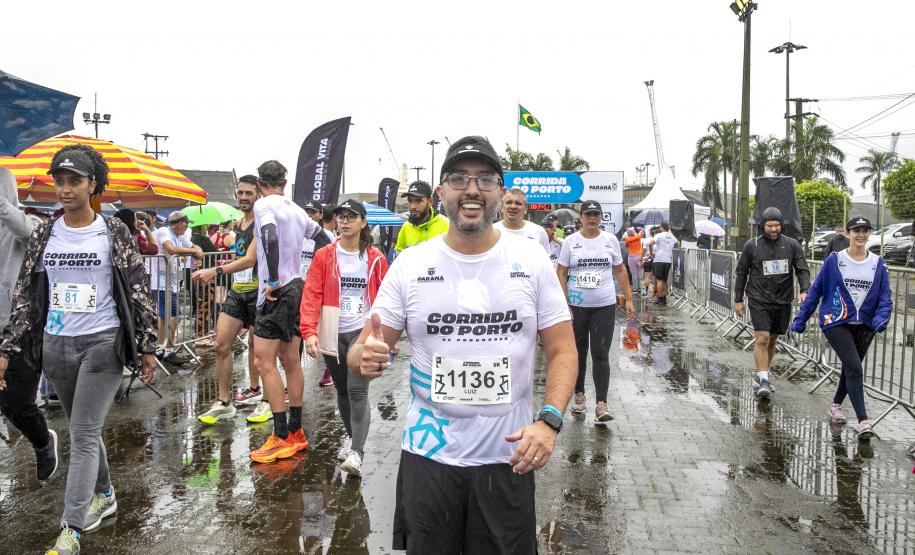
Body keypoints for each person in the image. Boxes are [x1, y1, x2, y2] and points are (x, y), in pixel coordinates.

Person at [347, 135, 577, 553]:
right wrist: (364, 357)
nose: (472, 189)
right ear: (441, 192)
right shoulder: (411, 265)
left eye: (485, 179)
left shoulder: (531, 262)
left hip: (508, 457)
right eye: (459, 178)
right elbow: (361, 349)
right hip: (429, 457)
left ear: (500, 193)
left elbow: (563, 350)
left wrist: (548, 422)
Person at [0, 145, 157, 554]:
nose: (66, 189)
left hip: (102, 344)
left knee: (83, 435)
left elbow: (138, 289)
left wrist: (147, 346)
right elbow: (24, 295)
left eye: (75, 181)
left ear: (93, 185)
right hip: (56, 346)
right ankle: (104, 493)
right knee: (82, 426)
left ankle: (71, 530)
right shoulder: (44, 233)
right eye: (60, 181)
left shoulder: (113, 231)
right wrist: (7, 349)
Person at [248, 160, 330, 464]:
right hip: (297, 285)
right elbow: (324, 239)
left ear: (260, 184)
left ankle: (281, 436)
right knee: (291, 360)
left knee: (263, 361)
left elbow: (269, 235)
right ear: (284, 183)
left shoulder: (263, 205)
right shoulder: (297, 210)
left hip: (277, 289)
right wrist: (315, 277)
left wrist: (271, 280)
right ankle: (295, 432)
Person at [300, 200, 389, 476]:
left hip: (361, 332)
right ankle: (353, 444)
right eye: (341, 216)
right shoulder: (324, 255)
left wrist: (385, 334)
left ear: (363, 222)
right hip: (331, 331)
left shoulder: (376, 258)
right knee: (341, 391)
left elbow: (387, 298)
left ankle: (357, 452)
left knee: (357, 390)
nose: (345, 221)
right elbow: (312, 293)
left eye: (352, 217)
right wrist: (309, 331)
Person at [791, 217, 892, 440]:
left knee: (850, 368)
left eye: (865, 230)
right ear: (847, 233)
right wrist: (801, 318)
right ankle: (864, 421)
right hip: (836, 321)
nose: (861, 235)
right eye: (857, 230)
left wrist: (881, 318)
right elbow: (816, 290)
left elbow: (885, 296)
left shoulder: (878, 263)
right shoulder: (835, 260)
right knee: (855, 367)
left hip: (865, 325)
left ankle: (836, 404)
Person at [193, 176, 267, 424]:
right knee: (221, 344)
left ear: (259, 195)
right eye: (240, 193)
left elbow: (250, 259)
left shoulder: (262, 222)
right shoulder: (239, 223)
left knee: (260, 351)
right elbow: (239, 256)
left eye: (249, 193)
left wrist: (215, 271)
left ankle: (266, 399)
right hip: (238, 291)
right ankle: (224, 403)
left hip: (259, 292)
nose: (243, 197)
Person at [0, 167, 58, 482]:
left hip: (19, 330)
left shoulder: (30, 225)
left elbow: (27, 231)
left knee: (15, 403)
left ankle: (42, 440)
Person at [557, 200, 634, 422]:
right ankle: (579, 396)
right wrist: (563, 302)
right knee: (579, 353)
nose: (592, 218)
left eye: (596, 215)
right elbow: (561, 272)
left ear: (601, 218)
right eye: (588, 214)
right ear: (581, 218)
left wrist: (629, 298)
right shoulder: (570, 242)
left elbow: (620, 270)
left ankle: (602, 404)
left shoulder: (610, 240)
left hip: (604, 305)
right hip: (577, 307)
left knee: (600, 353)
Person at [735, 206, 810, 400]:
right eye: (770, 225)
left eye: (777, 225)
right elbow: (741, 273)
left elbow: (802, 269)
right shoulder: (752, 246)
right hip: (758, 298)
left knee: (773, 339)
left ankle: (762, 375)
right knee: (762, 338)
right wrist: (738, 299)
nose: (774, 229)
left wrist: (804, 290)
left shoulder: (792, 245)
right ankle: (764, 380)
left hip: (783, 299)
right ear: (763, 226)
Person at [152, 212, 203, 352]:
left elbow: (196, 248)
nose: (187, 227)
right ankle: (165, 348)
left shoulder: (180, 236)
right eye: (187, 224)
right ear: (181, 224)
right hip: (161, 282)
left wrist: (196, 252)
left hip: (172, 282)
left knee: (167, 317)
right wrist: (192, 252)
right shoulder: (164, 231)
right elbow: (171, 249)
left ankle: (163, 348)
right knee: (173, 316)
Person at [302, 200, 334, 388]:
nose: (309, 215)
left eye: (313, 212)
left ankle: (330, 369)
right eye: (307, 212)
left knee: (324, 331)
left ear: (321, 215)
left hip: (319, 287)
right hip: (300, 287)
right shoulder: (299, 234)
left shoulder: (327, 236)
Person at [394, 180, 449, 252]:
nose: (413, 206)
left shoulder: (446, 225)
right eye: (410, 201)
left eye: (418, 201)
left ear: (430, 201)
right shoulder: (406, 227)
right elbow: (399, 255)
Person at [493, 187, 550, 252]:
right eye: (509, 202)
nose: (513, 206)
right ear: (502, 207)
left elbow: (545, 257)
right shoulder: (491, 231)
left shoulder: (539, 232)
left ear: (525, 208)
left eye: (518, 203)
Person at [649, 222, 678, 304]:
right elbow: (677, 243)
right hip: (668, 260)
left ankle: (660, 297)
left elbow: (650, 243)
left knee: (659, 280)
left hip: (659, 259)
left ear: (661, 227)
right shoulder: (671, 236)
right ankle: (664, 297)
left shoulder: (659, 235)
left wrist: (651, 253)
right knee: (664, 280)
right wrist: (671, 247)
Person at [641, 228, 655, 297]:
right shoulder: (659, 240)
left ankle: (645, 293)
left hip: (648, 259)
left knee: (647, 277)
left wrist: (641, 259)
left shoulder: (646, 240)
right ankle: (655, 294)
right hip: (656, 260)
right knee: (656, 278)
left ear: (650, 233)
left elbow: (643, 251)